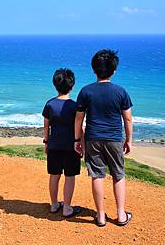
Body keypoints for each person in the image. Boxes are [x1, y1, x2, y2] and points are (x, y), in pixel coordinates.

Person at [74, 49, 134, 227]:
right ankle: (121, 215)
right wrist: (128, 140)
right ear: (114, 70)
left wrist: (77, 140)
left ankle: (100, 217)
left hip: (93, 138)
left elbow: (79, 118)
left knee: (97, 176)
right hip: (114, 138)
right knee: (118, 175)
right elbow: (128, 118)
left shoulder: (86, 92)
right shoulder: (120, 92)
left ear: (94, 69)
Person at [42, 68, 82, 218]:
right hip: (71, 146)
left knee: (54, 175)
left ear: (55, 84)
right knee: (70, 176)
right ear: (72, 85)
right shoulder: (74, 105)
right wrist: (81, 143)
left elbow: (46, 126)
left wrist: (46, 142)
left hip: (54, 145)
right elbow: (79, 127)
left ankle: (53, 205)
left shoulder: (49, 104)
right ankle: (67, 208)